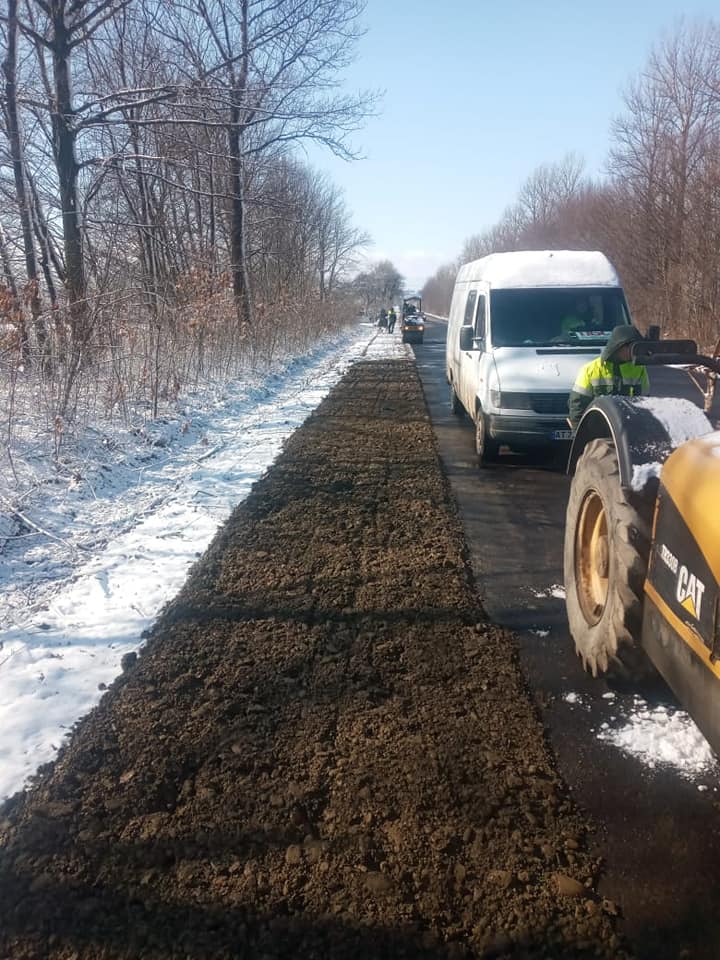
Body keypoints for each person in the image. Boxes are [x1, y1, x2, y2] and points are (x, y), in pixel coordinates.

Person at [568, 325, 649, 429]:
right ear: (620, 346)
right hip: (596, 431)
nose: (634, 353)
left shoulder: (638, 369)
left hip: (627, 431)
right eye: (632, 348)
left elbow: (645, 403)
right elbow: (577, 405)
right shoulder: (590, 370)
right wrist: (579, 435)